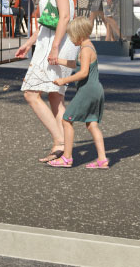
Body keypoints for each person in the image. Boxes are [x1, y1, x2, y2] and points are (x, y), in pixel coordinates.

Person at [15, 0, 77, 163]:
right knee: (55, 96)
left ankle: (60, 141)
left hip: (55, 43)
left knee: (31, 93)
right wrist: (30, 42)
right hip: (53, 41)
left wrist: (54, 47)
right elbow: (49, 20)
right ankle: (65, 149)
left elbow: (64, 16)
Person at [47, 16, 109, 168]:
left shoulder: (85, 50)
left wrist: (64, 80)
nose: (70, 39)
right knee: (92, 124)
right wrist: (59, 60)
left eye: (71, 36)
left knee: (66, 120)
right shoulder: (88, 47)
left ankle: (67, 158)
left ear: (79, 35)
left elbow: (83, 73)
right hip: (96, 90)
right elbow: (77, 64)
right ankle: (102, 160)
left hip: (87, 91)